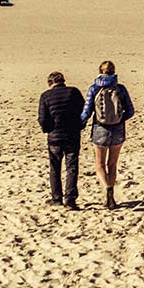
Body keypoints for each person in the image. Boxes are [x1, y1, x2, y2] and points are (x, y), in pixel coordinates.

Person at [81, 60, 136, 210]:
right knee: (112, 164)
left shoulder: (94, 88)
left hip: (100, 128)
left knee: (99, 164)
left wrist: (80, 123)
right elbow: (130, 111)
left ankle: (107, 189)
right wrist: (119, 120)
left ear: (100, 71)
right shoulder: (120, 88)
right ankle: (111, 190)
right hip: (117, 130)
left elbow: (86, 112)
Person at [38, 71, 85, 210]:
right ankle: (70, 200)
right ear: (63, 81)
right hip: (72, 135)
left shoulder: (45, 96)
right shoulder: (74, 92)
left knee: (55, 168)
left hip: (54, 137)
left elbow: (42, 118)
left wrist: (48, 129)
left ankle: (56, 198)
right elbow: (83, 111)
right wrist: (79, 126)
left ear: (49, 83)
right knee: (72, 167)